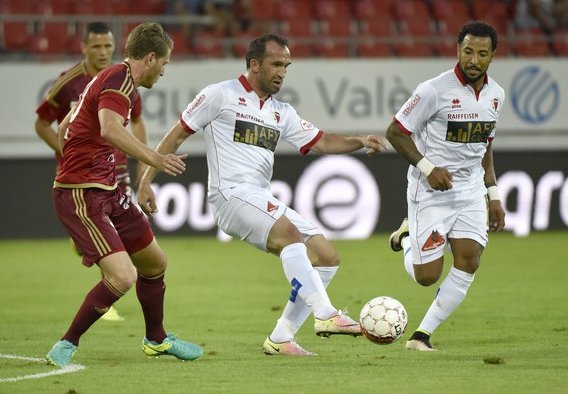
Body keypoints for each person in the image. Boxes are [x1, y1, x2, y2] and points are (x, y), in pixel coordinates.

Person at [137, 33, 387, 356]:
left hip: (257, 196)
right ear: (254, 64)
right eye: (276, 63)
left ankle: (282, 337)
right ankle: (326, 315)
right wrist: (146, 181)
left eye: (287, 65)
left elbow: (323, 142)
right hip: (229, 195)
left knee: (326, 256)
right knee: (289, 235)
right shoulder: (219, 95)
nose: (282, 71)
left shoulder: (281, 111)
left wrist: (360, 140)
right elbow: (176, 135)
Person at [45, 22, 202, 367]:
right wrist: (156, 159)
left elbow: (64, 126)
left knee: (154, 262)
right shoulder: (120, 80)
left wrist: (80, 153)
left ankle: (156, 339)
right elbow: (110, 129)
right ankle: (66, 344)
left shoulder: (116, 79)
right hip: (82, 194)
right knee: (123, 276)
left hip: (107, 188)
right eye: (165, 63)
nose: (164, 71)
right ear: (150, 58)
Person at [385, 21, 506, 351]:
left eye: (482, 53)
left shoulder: (497, 95)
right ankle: (407, 236)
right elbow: (395, 132)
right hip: (430, 190)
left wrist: (492, 194)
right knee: (427, 277)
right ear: (458, 50)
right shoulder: (433, 90)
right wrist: (427, 167)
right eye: (468, 51)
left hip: (469, 191)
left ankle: (421, 336)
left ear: (492, 57)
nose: (474, 60)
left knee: (469, 261)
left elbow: (485, 147)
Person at [35, 22, 148, 322]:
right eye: (96, 46)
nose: (102, 52)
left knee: (123, 233)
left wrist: (144, 162)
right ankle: (112, 285)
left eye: (107, 46)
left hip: (117, 169)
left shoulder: (121, 79)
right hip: (81, 176)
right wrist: (66, 153)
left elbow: (137, 120)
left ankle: (117, 283)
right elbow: (43, 123)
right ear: (84, 47)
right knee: (99, 233)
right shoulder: (68, 82)